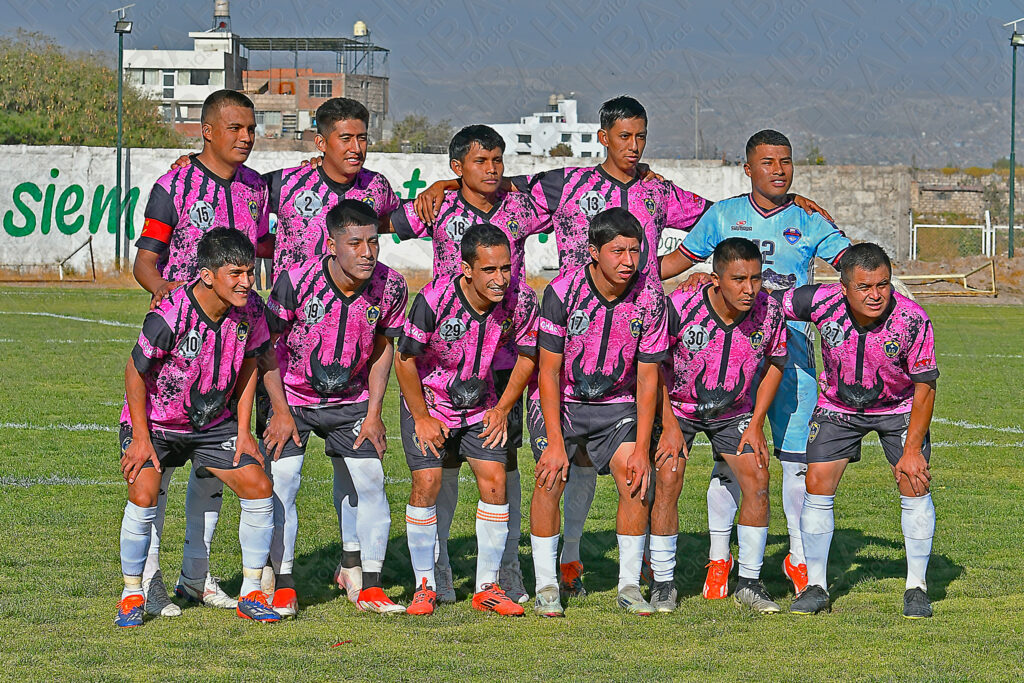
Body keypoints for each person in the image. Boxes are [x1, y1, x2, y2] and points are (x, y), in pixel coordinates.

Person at [170, 97, 401, 599]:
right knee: (276, 475)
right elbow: (231, 181)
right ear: (320, 142)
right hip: (286, 355)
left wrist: (445, 187)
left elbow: (412, 220)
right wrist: (190, 164)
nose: (358, 148)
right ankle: (272, 577)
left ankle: (356, 569)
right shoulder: (283, 183)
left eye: (364, 137)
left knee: (359, 473)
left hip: (351, 366)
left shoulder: (378, 190)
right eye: (346, 138)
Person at [665, 129, 850, 600]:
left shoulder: (809, 220)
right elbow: (675, 263)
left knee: (793, 463)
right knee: (729, 461)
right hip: (728, 358)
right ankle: (720, 561)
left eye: (785, 161)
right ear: (748, 168)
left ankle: (799, 558)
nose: (779, 170)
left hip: (793, 359)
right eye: (767, 162)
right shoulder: (723, 215)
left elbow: (854, 265)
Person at [390, 124, 550, 604]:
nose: (492, 170)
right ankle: (435, 570)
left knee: (504, 465)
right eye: (481, 162)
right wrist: (440, 187)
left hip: (501, 362)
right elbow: (382, 221)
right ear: (457, 167)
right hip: (442, 352)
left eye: (498, 161)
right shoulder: (437, 205)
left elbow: (575, 191)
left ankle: (505, 572)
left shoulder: (520, 205)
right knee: (440, 468)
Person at [132, 89, 271, 615]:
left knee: (214, 463)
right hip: (180, 342)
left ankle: (198, 576)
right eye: (235, 128)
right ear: (207, 131)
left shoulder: (259, 188)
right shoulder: (175, 185)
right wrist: (170, 295)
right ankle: (148, 581)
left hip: (233, 343)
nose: (246, 137)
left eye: (252, 128)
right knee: (158, 469)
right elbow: (146, 262)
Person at [115, 228, 277, 627]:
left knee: (259, 487)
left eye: (250, 272)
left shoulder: (252, 310)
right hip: (157, 423)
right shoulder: (172, 310)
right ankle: (133, 594)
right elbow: (136, 372)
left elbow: (251, 368)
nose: (246, 282)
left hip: (213, 424)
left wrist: (243, 431)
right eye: (235, 274)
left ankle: (252, 591)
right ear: (207, 275)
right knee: (145, 492)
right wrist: (139, 438)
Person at [259, 200, 408, 617]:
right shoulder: (295, 281)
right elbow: (266, 346)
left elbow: (383, 347)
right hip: (294, 398)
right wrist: (281, 410)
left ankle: (369, 583)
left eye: (373, 242)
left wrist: (375, 411)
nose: (367, 252)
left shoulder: (391, 286)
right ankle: (283, 582)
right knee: (284, 480)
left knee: (370, 479)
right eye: (355, 243)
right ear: (331, 245)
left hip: (352, 400)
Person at [780, 243, 938, 618]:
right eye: (864, 287)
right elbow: (764, 302)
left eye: (882, 285)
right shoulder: (818, 301)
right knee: (816, 483)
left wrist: (912, 450)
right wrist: (707, 284)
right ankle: (815, 586)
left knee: (914, 481)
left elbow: (925, 387)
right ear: (844, 287)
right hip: (838, 408)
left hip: (896, 408)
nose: (875, 295)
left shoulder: (913, 319)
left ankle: (917, 588)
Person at [395, 223, 538, 617]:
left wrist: (504, 408)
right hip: (430, 402)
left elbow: (528, 356)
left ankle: (487, 587)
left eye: (506, 268)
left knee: (496, 481)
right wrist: (421, 417)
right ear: (466, 269)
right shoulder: (433, 299)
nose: (500, 279)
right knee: (428, 481)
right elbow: (404, 359)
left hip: (483, 404)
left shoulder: (522, 300)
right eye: (490, 270)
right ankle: (425, 584)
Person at [530, 207, 667, 617]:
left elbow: (647, 380)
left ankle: (628, 584)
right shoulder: (562, 291)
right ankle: (546, 585)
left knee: (636, 478)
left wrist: (642, 448)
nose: (629, 261)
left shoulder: (650, 298)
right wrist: (555, 443)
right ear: (592, 251)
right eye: (618, 251)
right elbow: (549, 372)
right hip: (563, 402)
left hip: (616, 406)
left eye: (635, 251)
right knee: (550, 478)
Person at [650, 238, 788, 613]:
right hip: (678, 407)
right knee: (667, 477)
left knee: (758, 478)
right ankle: (663, 582)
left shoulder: (769, 310)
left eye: (756, 279)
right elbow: (654, 366)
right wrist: (669, 424)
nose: (749, 289)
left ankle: (750, 582)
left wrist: (757, 423)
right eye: (738, 279)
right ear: (715, 279)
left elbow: (776, 362)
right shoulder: (681, 305)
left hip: (734, 410)